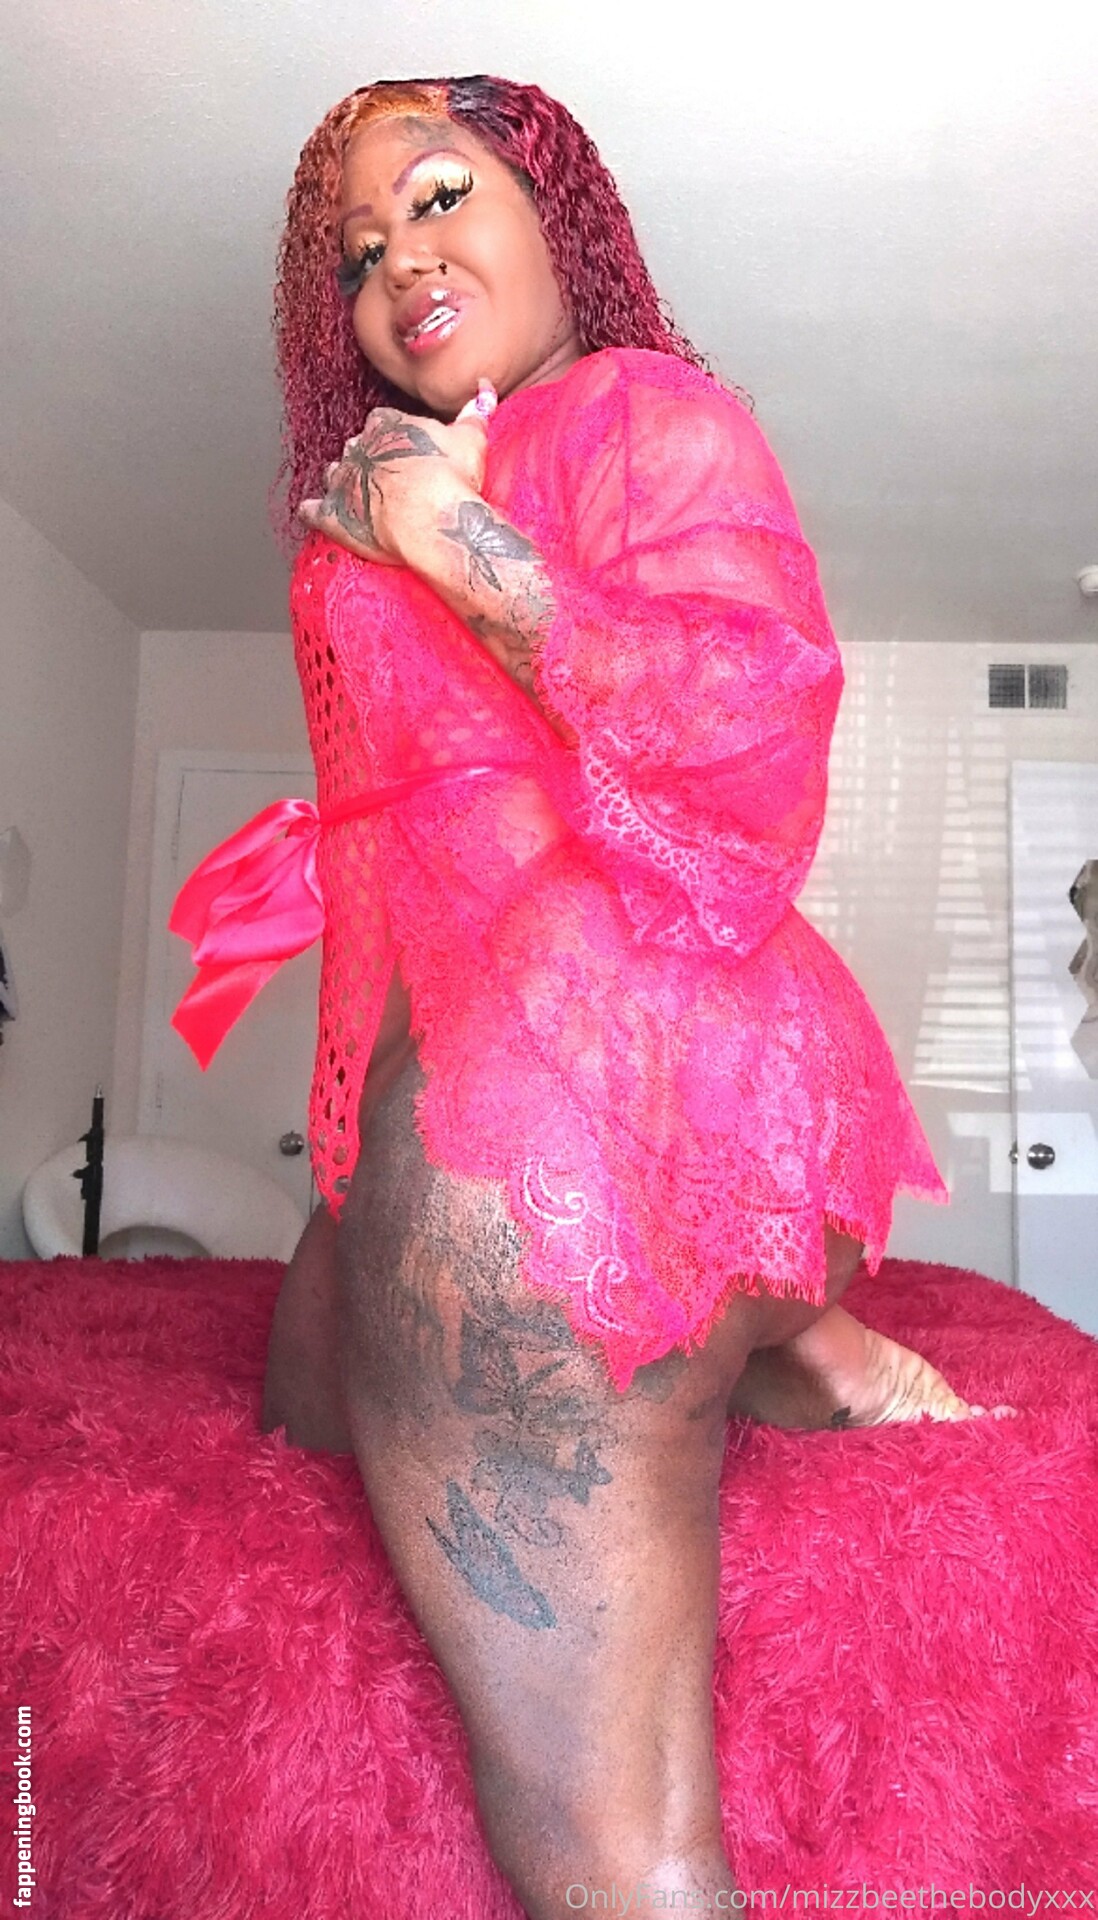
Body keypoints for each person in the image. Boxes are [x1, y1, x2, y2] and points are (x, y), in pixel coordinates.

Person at [182, 73, 997, 1916]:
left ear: (559, 214)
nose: (400, 263)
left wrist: (453, 538)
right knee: (310, 1395)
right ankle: (790, 1340)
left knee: (616, 1855)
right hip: (486, 1057)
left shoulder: (641, 408)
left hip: (627, 1073)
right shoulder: (380, 485)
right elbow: (400, 861)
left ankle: (761, 1328)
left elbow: (748, 741)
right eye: (356, 254)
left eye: (441, 197)